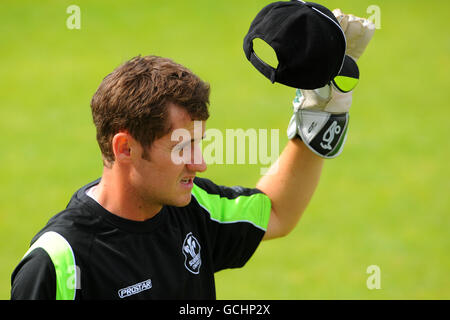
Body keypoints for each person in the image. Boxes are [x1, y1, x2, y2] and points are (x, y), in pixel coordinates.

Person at [11, 6, 374, 299]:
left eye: (199, 143)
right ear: (126, 148)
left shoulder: (192, 206)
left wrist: (323, 109)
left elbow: (277, 211)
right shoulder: (59, 264)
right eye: (181, 147)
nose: (199, 163)